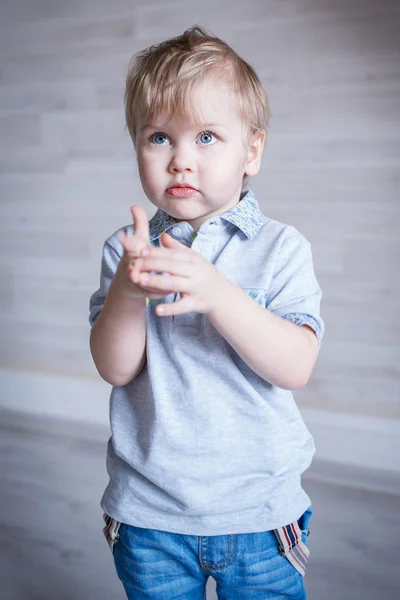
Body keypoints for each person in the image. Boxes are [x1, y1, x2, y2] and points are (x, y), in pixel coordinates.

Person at [89, 24, 324, 600]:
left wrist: (220, 294)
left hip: (259, 513)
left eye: (209, 137)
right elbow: (115, 368)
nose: (181, 162)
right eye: (160, 137)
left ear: (253, 150)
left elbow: (295, 366)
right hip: (149, 511)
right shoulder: (128, 249)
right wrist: (127, 290)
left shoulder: (280, 248)